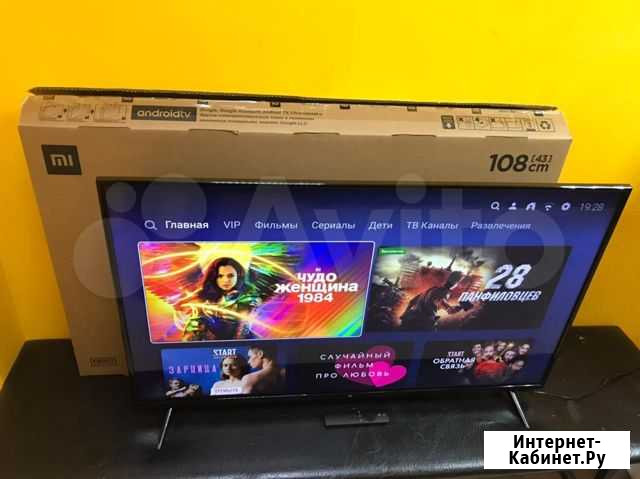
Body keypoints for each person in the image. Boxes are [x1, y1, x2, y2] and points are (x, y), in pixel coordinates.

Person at [184, 257, 261, 341]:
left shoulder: (247, 299)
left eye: (230, 276)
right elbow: (191, 331)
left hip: (238, 342)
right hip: (208, 343)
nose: (226, 280)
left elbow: (242, 332)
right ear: (214, 277)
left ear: (238, 276)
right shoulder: (203, 299)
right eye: (220, 276)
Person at [399, 271, 468, 330]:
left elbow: (412, 301)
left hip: (410, 318)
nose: (458, 285)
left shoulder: (432, 289)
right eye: (458, 282)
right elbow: (449, 310)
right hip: (421, 325)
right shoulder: (443, 293)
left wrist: (404, 314)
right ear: (455, 283)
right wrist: (462, 306)